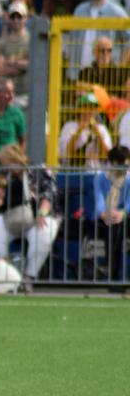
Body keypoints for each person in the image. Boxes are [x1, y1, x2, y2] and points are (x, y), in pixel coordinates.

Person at [0, 143, 61, 292]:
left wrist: (42, 213)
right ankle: (3, 275)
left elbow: (49, 193)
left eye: (5, 162)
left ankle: (28, 276)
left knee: (44, 231)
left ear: (15, 159)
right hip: (10, 217)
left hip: (37, 216)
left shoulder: (39, 171)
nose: (3, 166)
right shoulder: (2, 175)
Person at [90, 144, 130, 286]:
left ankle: (113, 274)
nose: (125, 168)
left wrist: (122, 213)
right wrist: (104, 213)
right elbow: (99, 200)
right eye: (123, 164)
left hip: (125, 219)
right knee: (113, 226)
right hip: (104, 219)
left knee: (117, 224)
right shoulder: (100, 179)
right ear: (113, 163)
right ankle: (112, 277)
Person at [60, 92, 114, 167]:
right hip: (74, 171)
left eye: (93, 107)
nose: (90, 110)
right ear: (79, 109)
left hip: (96, 172)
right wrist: (80, 129)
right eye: (86, 106)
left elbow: (107, 155)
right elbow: (67, 152)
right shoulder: (69, 126)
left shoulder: (102, 129)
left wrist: (98, 133)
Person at [0, 1, 31, 105]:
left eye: (19, 17)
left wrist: (11, 62)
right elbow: (0, 70)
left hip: (28, 94)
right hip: (8, 96)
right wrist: (22, 66)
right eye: (13, 17)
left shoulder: (32, 41)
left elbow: (34, 66)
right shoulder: (2, 42)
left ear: (26, 18)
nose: (16, 20)